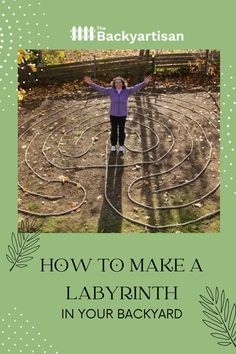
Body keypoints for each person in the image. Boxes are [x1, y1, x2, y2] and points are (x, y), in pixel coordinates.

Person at [83, 75, 152, 152]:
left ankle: (121, 146)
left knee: (121, 130)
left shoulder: (127, 91)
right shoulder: (110, 90)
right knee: (114, 130)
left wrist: (144, 82)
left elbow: (136, 87)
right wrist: (91, 83)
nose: (118, 84)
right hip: (113, 114)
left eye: (119, 83)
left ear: (123, 84)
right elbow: (100, 89)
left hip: (123, 114)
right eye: (116, 83)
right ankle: (113, 145)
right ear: (114, 84)